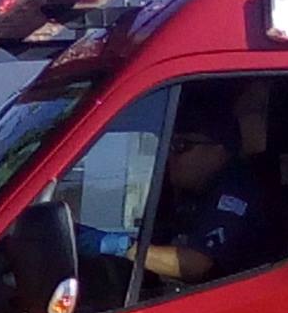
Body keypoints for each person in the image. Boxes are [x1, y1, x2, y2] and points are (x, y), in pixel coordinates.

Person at [79, 101, 263, 287]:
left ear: (219, 150)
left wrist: (121, 246)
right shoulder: (188, 194)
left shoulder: (236, 191)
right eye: (169, 146)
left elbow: (195, 264)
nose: (170, 156)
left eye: (181, 146)